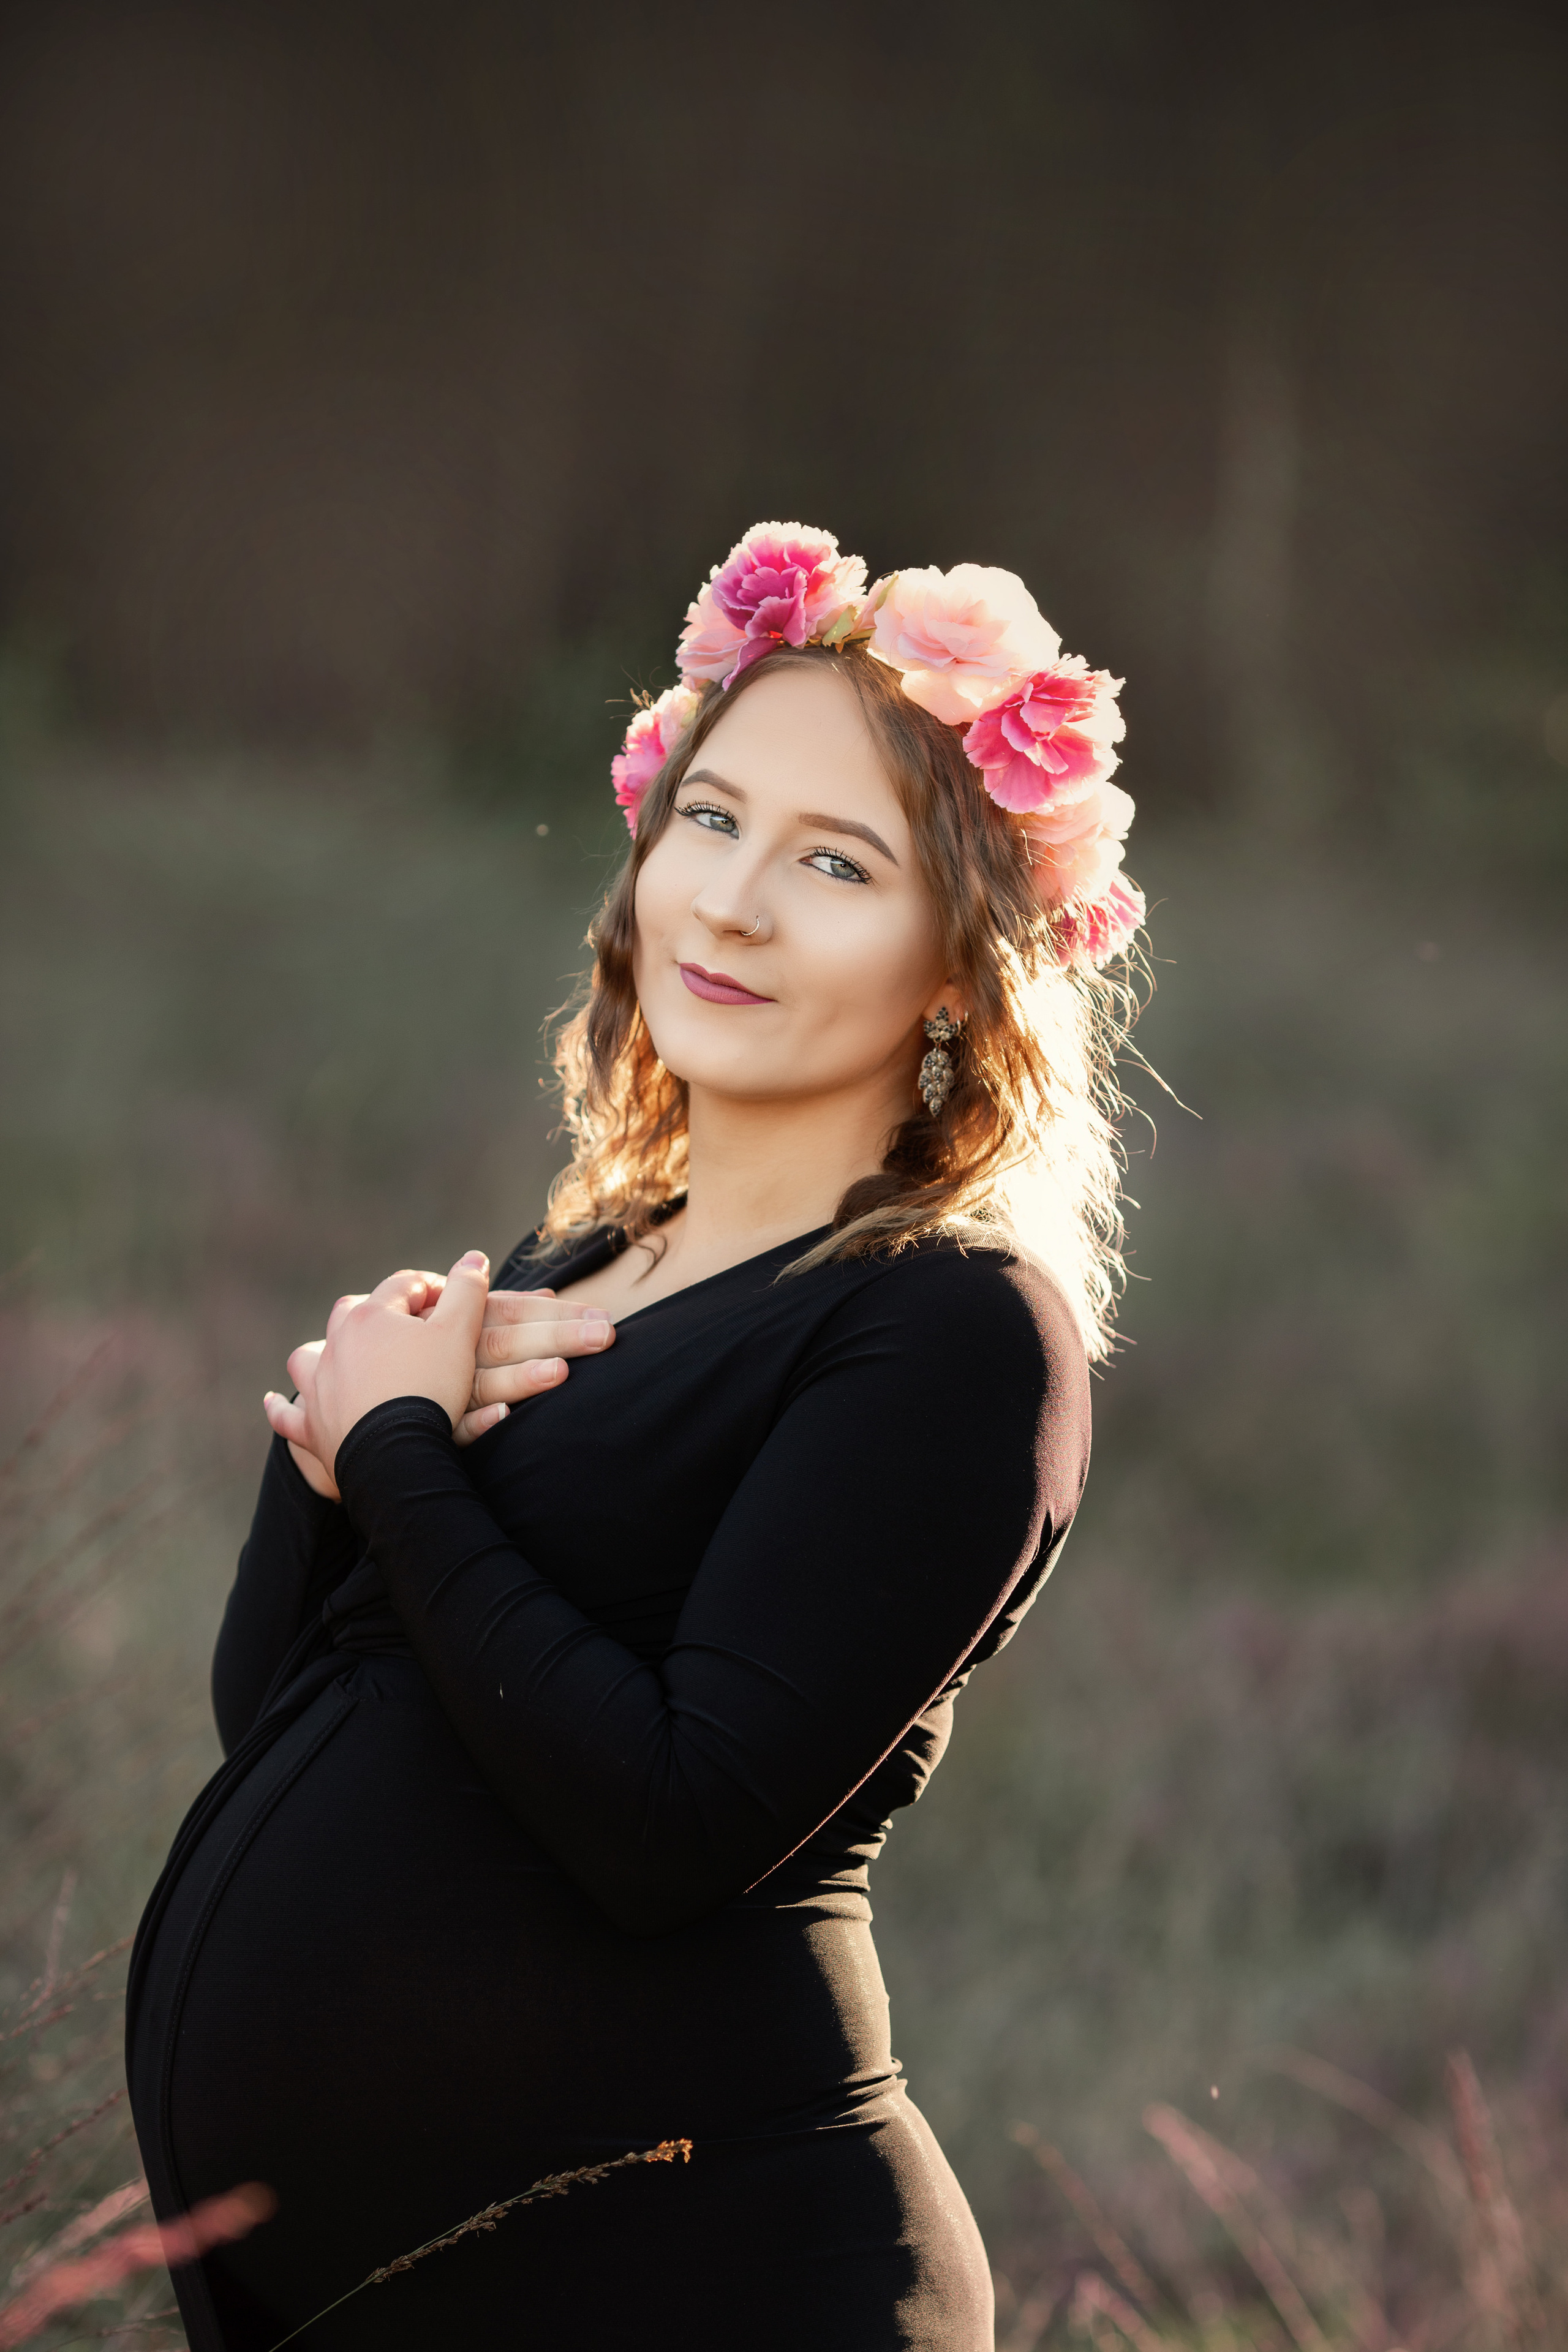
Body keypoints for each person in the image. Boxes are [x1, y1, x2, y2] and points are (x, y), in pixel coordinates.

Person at [127, 523, 1148, 2350]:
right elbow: (289, 1721)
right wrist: (329, 1469)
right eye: (714, 820)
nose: (735, 902)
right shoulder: (579, 1263)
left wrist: (410, 1471)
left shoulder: (948, 1329)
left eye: (836, 863)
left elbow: (672, 1825)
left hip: (712, 2283)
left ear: (958, 967)